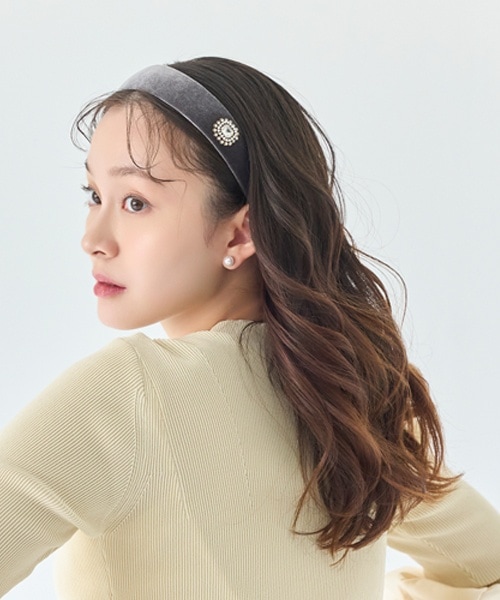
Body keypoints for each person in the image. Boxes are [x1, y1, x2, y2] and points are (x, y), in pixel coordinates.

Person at [0, 57, 499, 600]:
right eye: (94, 195)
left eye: (136, 202)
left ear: (241, 234)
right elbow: (486, 562)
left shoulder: (124, 395)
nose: (93, 239)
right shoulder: (348, 401)